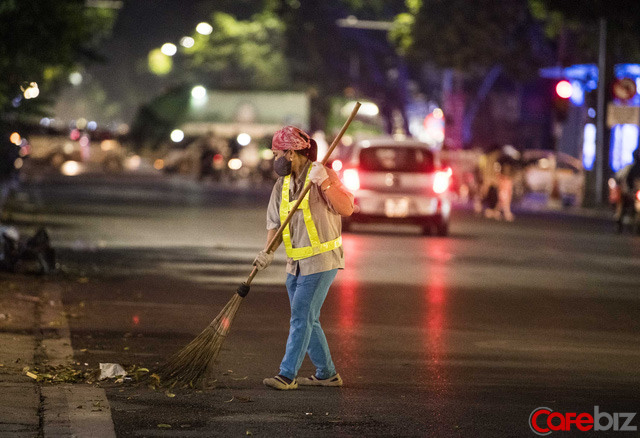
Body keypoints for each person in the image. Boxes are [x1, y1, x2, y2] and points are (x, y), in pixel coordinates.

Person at [253, 125, 354, 390]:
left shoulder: (322, 175)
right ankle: (327, 373)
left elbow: (347, 207)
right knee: (308, 318)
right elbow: (275, 224)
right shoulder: (282, 185)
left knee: (301, 317)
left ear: (291, 153)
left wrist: (326, 182)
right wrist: (267, 253)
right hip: (295, 263)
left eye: (277, 153)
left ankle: (287, 375)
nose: (274, 158)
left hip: (322, 260)